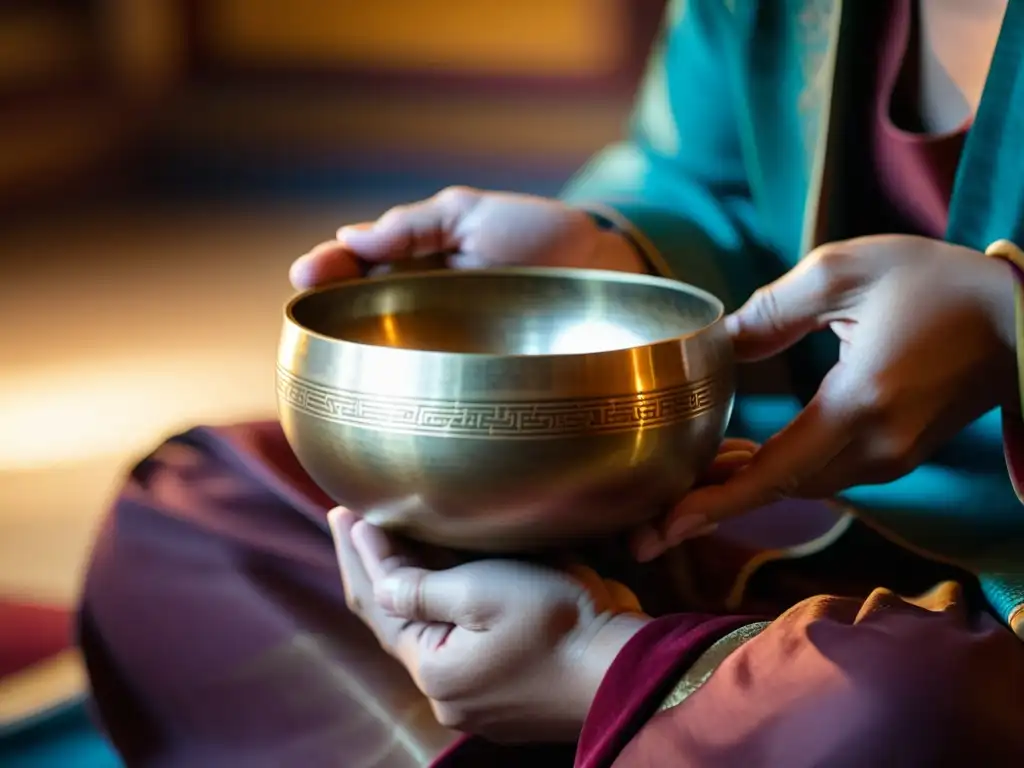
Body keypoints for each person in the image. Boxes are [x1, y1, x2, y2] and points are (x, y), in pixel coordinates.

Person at [79, 0, 1024, 765]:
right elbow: (704, 179)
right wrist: (611, 251)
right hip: (768, 509)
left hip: (982, 625)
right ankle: (632, 718)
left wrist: (1004, 317)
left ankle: (594, 700)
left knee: (897, 718)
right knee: (192, 510)